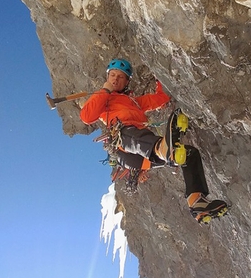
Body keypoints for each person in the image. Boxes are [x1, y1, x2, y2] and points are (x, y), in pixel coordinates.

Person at [80, 58, 229, 224]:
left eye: (121, 77)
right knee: (127, 131)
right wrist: (105, 90)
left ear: (127, 81)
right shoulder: (104, 100)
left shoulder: (135, 101)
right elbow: (87, 116)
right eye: (113, 75)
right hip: (127, 147)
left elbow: (161, 98)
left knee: (189, 154)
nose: (115, 79)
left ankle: (196, 202)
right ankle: (163, 149)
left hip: (145, 152)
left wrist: (160, 75)